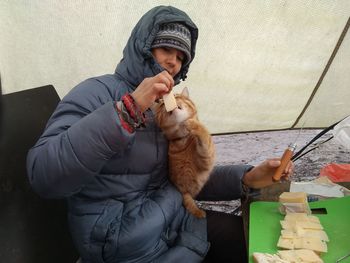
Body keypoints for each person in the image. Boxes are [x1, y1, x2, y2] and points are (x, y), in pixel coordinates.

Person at [26, 5, 293, 263]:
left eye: (181, 58)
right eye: (166, 48)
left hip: (177, 223)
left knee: (262, 242)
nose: (173, 63)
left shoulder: (166, 108)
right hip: (126, 243)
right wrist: (127, 111)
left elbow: (183, 177)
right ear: (142, 47)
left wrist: (245, 177)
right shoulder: (96, 92)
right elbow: (44, 175)